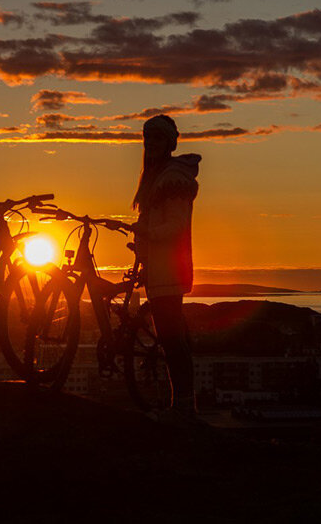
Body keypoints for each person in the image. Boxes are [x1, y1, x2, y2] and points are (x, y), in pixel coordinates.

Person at [132, 114, 200, 418]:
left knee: (173, 341)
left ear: (169, 143)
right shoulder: (156, 176)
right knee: (171, 340)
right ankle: (182, 404)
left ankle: (184, 405)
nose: (151, 144)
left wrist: (146, 233)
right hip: (159, 271)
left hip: (171, 270)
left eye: (157, 138)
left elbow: (176, 225)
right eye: (147, 138)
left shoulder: (173, 178)